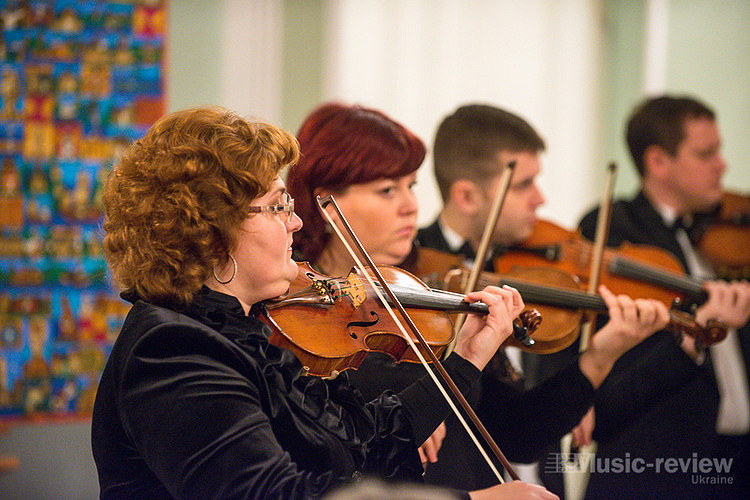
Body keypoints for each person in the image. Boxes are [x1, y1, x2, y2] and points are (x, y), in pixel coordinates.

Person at [89, 106, 570, 500]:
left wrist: (468, 356)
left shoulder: (245, 331)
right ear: (215, 232)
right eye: (279, 207)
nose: (296, 225)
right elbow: (274, 494)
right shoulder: (173, 348)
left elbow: (366, 442)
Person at [286, 102, 671, 492]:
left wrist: (600, 355)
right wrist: (410, 409)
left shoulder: (432, 293)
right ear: (328, 205)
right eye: (388, 190)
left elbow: (516, 433)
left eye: (412, 186)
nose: (411, 206)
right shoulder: (287, 306)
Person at [574, 95, 750, 498]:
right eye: (706, 153)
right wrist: (696, 333)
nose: (722, 164)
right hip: (655, 474)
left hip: (736, 469)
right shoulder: (614, 229)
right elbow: (610, 387)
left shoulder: (726, 233)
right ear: (658, 163)